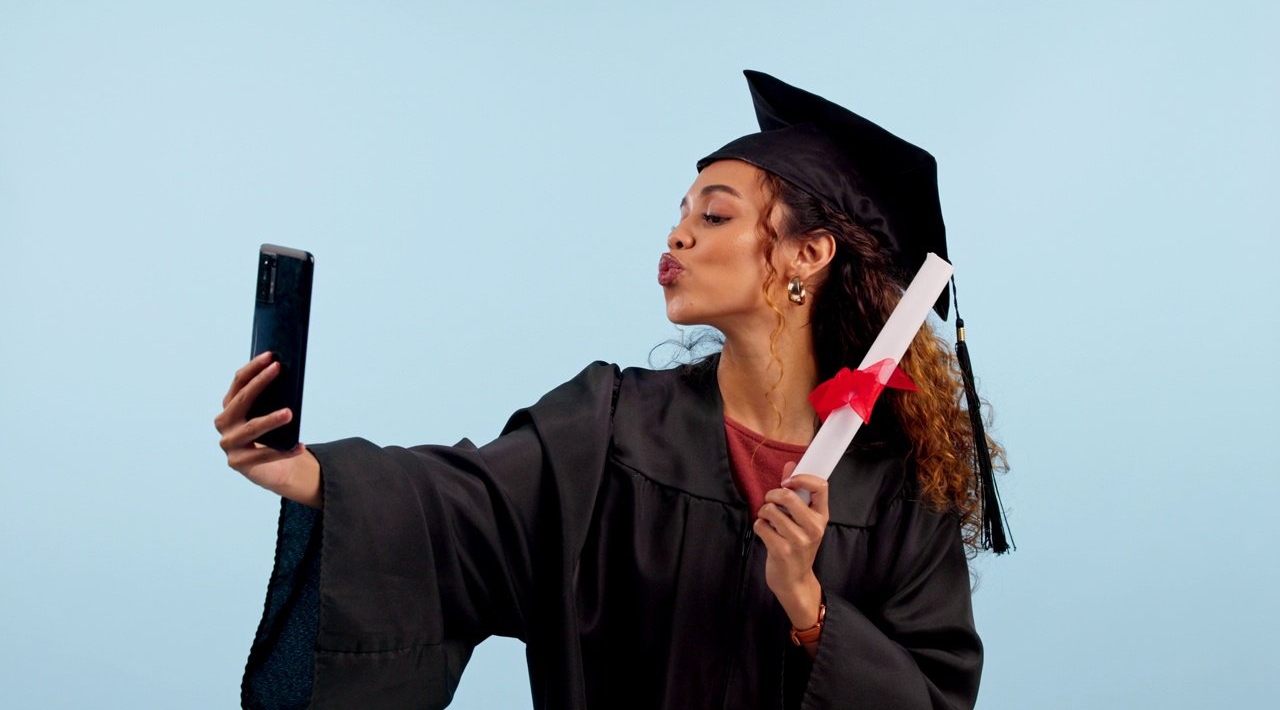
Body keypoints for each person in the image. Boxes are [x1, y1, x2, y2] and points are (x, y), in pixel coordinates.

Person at [216, 71, 1010, 710]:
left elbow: (935, 697)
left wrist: (809, 609)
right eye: (681, 212)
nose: (678, 234)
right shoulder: (613, 425)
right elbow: (465, 509)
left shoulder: (896, 487)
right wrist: (314, 475)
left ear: (808, 256)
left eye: (716, 213)